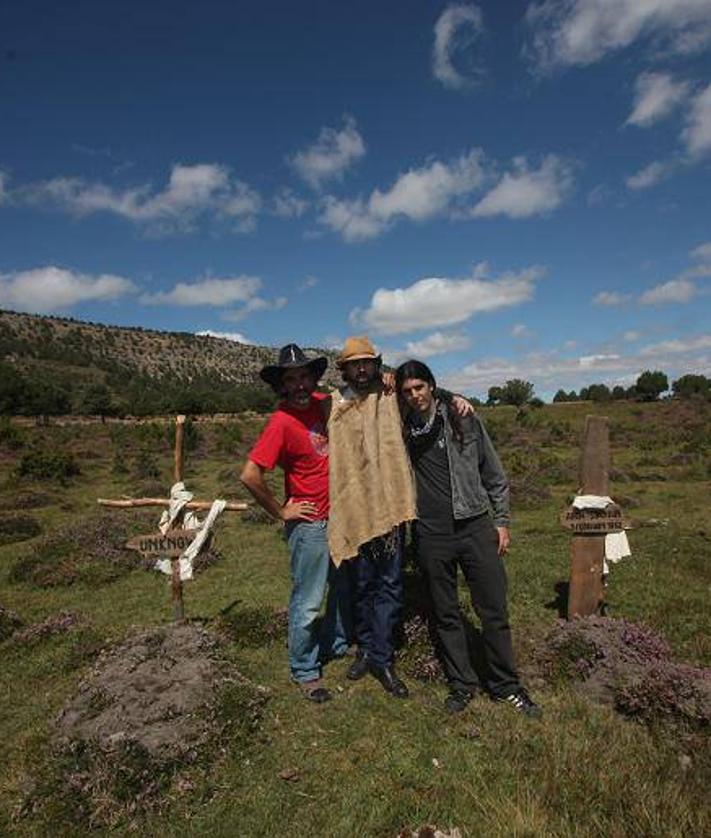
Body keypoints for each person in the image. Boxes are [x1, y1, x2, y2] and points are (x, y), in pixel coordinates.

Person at [325, 337, 474, 700]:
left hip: (391, 509)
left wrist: (453, 396)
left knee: (390, 585)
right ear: (343, 368)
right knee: (361, 585)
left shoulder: (392, 396)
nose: (362, 369)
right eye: (354, 364)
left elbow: (423, 391)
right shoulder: (333, 402)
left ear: (377, 365)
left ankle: (383, 656)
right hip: (355, 511)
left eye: (367, 363)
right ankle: (364, 649)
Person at [395, 359, 541, 717]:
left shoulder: (463, 417)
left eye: (420, 387)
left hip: (475, 525)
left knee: (493, 610)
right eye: (407, 391)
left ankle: (506, 685)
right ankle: (462, 685)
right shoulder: (399, 428)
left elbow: (493, 473)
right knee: (445, 613)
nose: (415, 396)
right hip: (431, 532)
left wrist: (502, 521)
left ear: (431, 386)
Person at [240, 343, 351, 703]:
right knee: (308, 599)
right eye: (291, 379)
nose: (300, 384)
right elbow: (250, 475)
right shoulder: (281, 422)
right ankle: (305, 669)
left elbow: (357, 397)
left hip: (339, 517)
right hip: (310, 526)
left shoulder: (322, 402)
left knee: (341, 587)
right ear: (282, 386)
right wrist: (281, 511)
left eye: (304, 375)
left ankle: (334, 643)